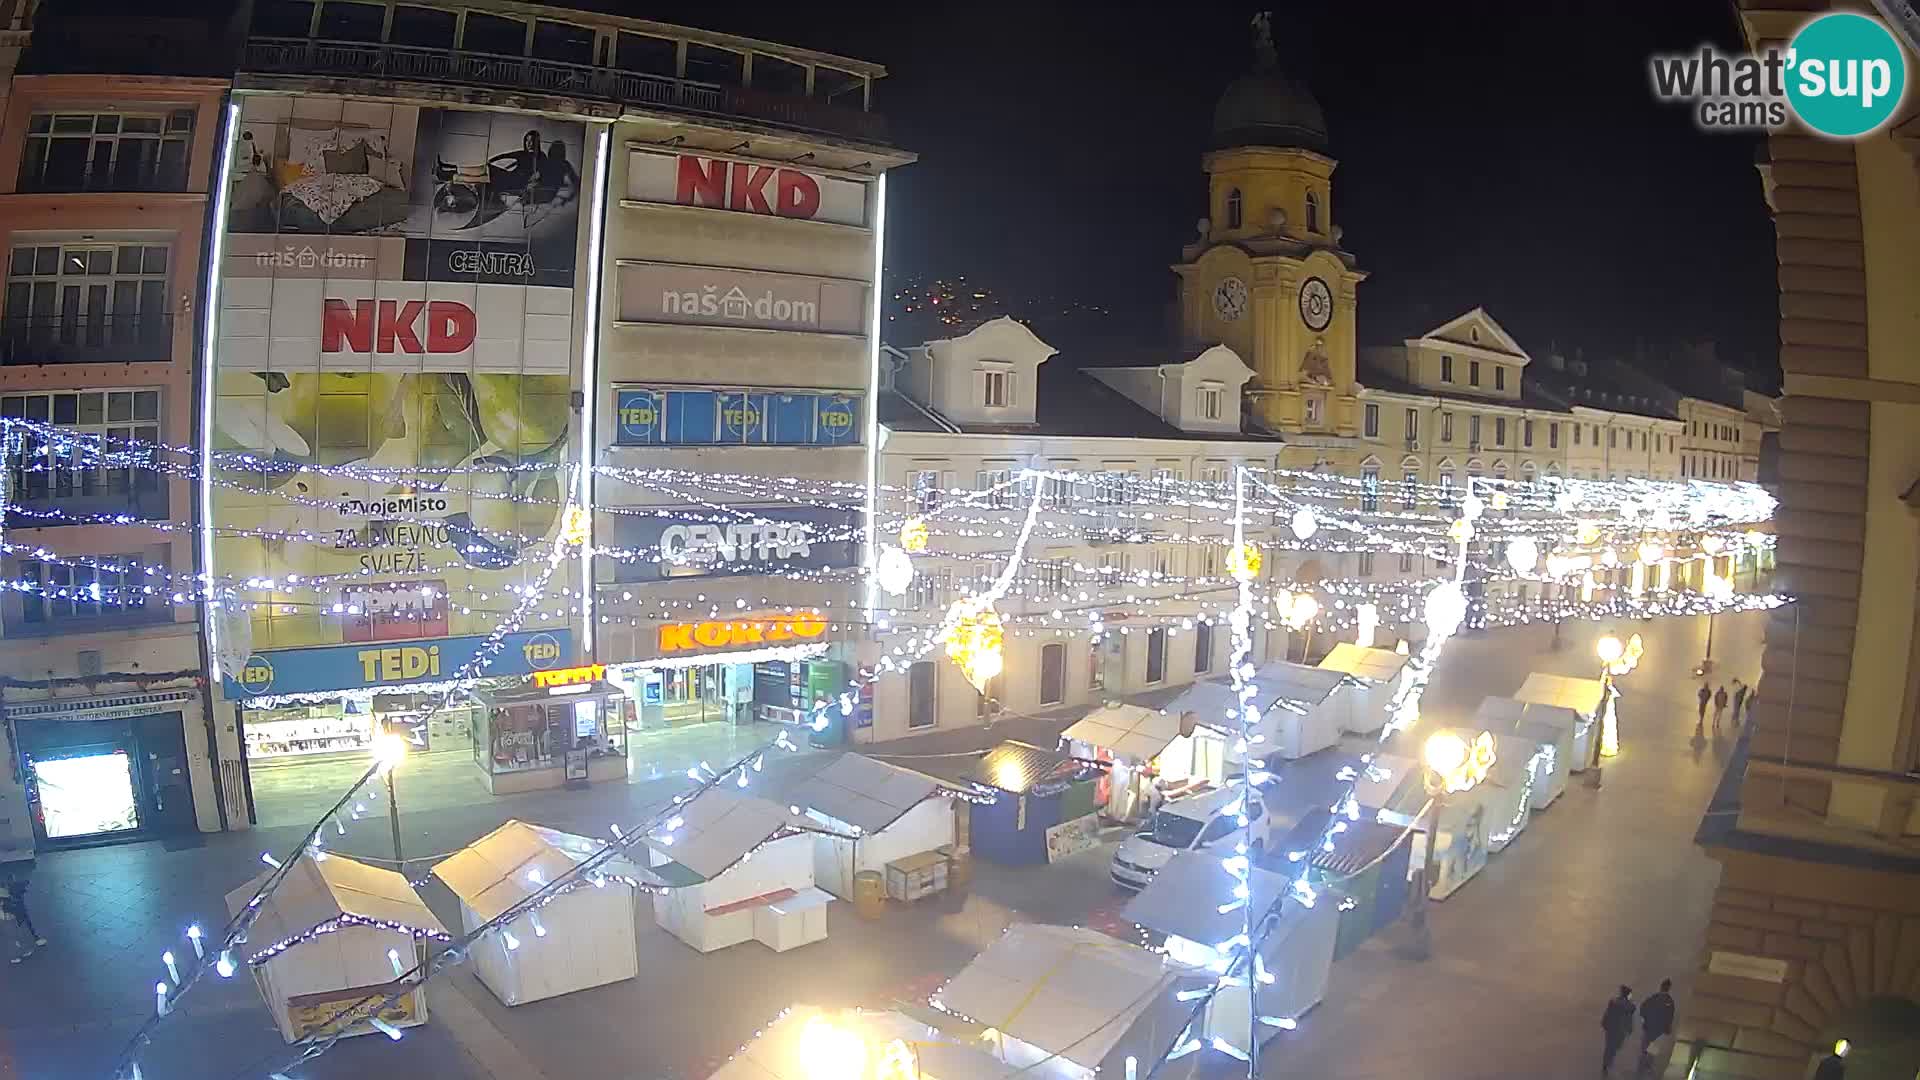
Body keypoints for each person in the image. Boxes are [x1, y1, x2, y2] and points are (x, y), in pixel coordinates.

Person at [1, 872, 44, 963]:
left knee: (19, 933)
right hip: (6, 918)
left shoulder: (7, 892)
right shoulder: (4, 897)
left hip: (12, 915)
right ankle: (14, 956)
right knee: (12, 937)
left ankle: (23, 950)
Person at [1638, 979, 1677, 1063]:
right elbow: (1669, 1017)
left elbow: (1643, 1008)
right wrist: (1667, 1028)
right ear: (1669, 988)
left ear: (1661, 987)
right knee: (1653, 1047)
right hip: (1659, 1029)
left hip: (1649, 1026)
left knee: (1646, 1044)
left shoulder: (1654, 997)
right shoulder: (1669, 1001)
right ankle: (1648, 1062)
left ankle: (1643, 1059)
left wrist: (1644, 1020)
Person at [1601, 984, 1637, 1074]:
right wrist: (1629, 1029)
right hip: (1620, 1030)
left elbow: (1607, 1013)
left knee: (1609, 1046)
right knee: (1614, 1047)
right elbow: (1628, 1019)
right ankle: (1607, 1063)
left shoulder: (1613, 1001)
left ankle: (1606, 1063)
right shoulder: (1629, 1006)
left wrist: (1604, 1022)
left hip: (1611, 1027)